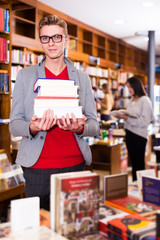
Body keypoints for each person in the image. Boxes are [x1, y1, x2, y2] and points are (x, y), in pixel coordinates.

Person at [9, 15, 99, 210]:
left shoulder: (82, 78)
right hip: (37, 167)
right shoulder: (25, 76)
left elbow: (94, 125)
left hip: (75, 165)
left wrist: (80, 127)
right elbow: (14, 124)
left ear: (66, 40)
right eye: (45, 38)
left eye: (57, 37)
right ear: (40, 41)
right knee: (39, 231)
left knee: (74, 227)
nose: (51, 43)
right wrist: (32, 127)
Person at [116, 76, 154, 181]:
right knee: (133, 162)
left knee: (139, 163)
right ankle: (135, 184)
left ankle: (141, 187)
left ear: (135, 86)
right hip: (129, 133)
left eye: (129, 87)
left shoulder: (145, 100)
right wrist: (122, 116)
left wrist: (128, 118)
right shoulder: (132, 99)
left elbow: (144, 121)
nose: (128, 90)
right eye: (127, 87)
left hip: (139, 135)